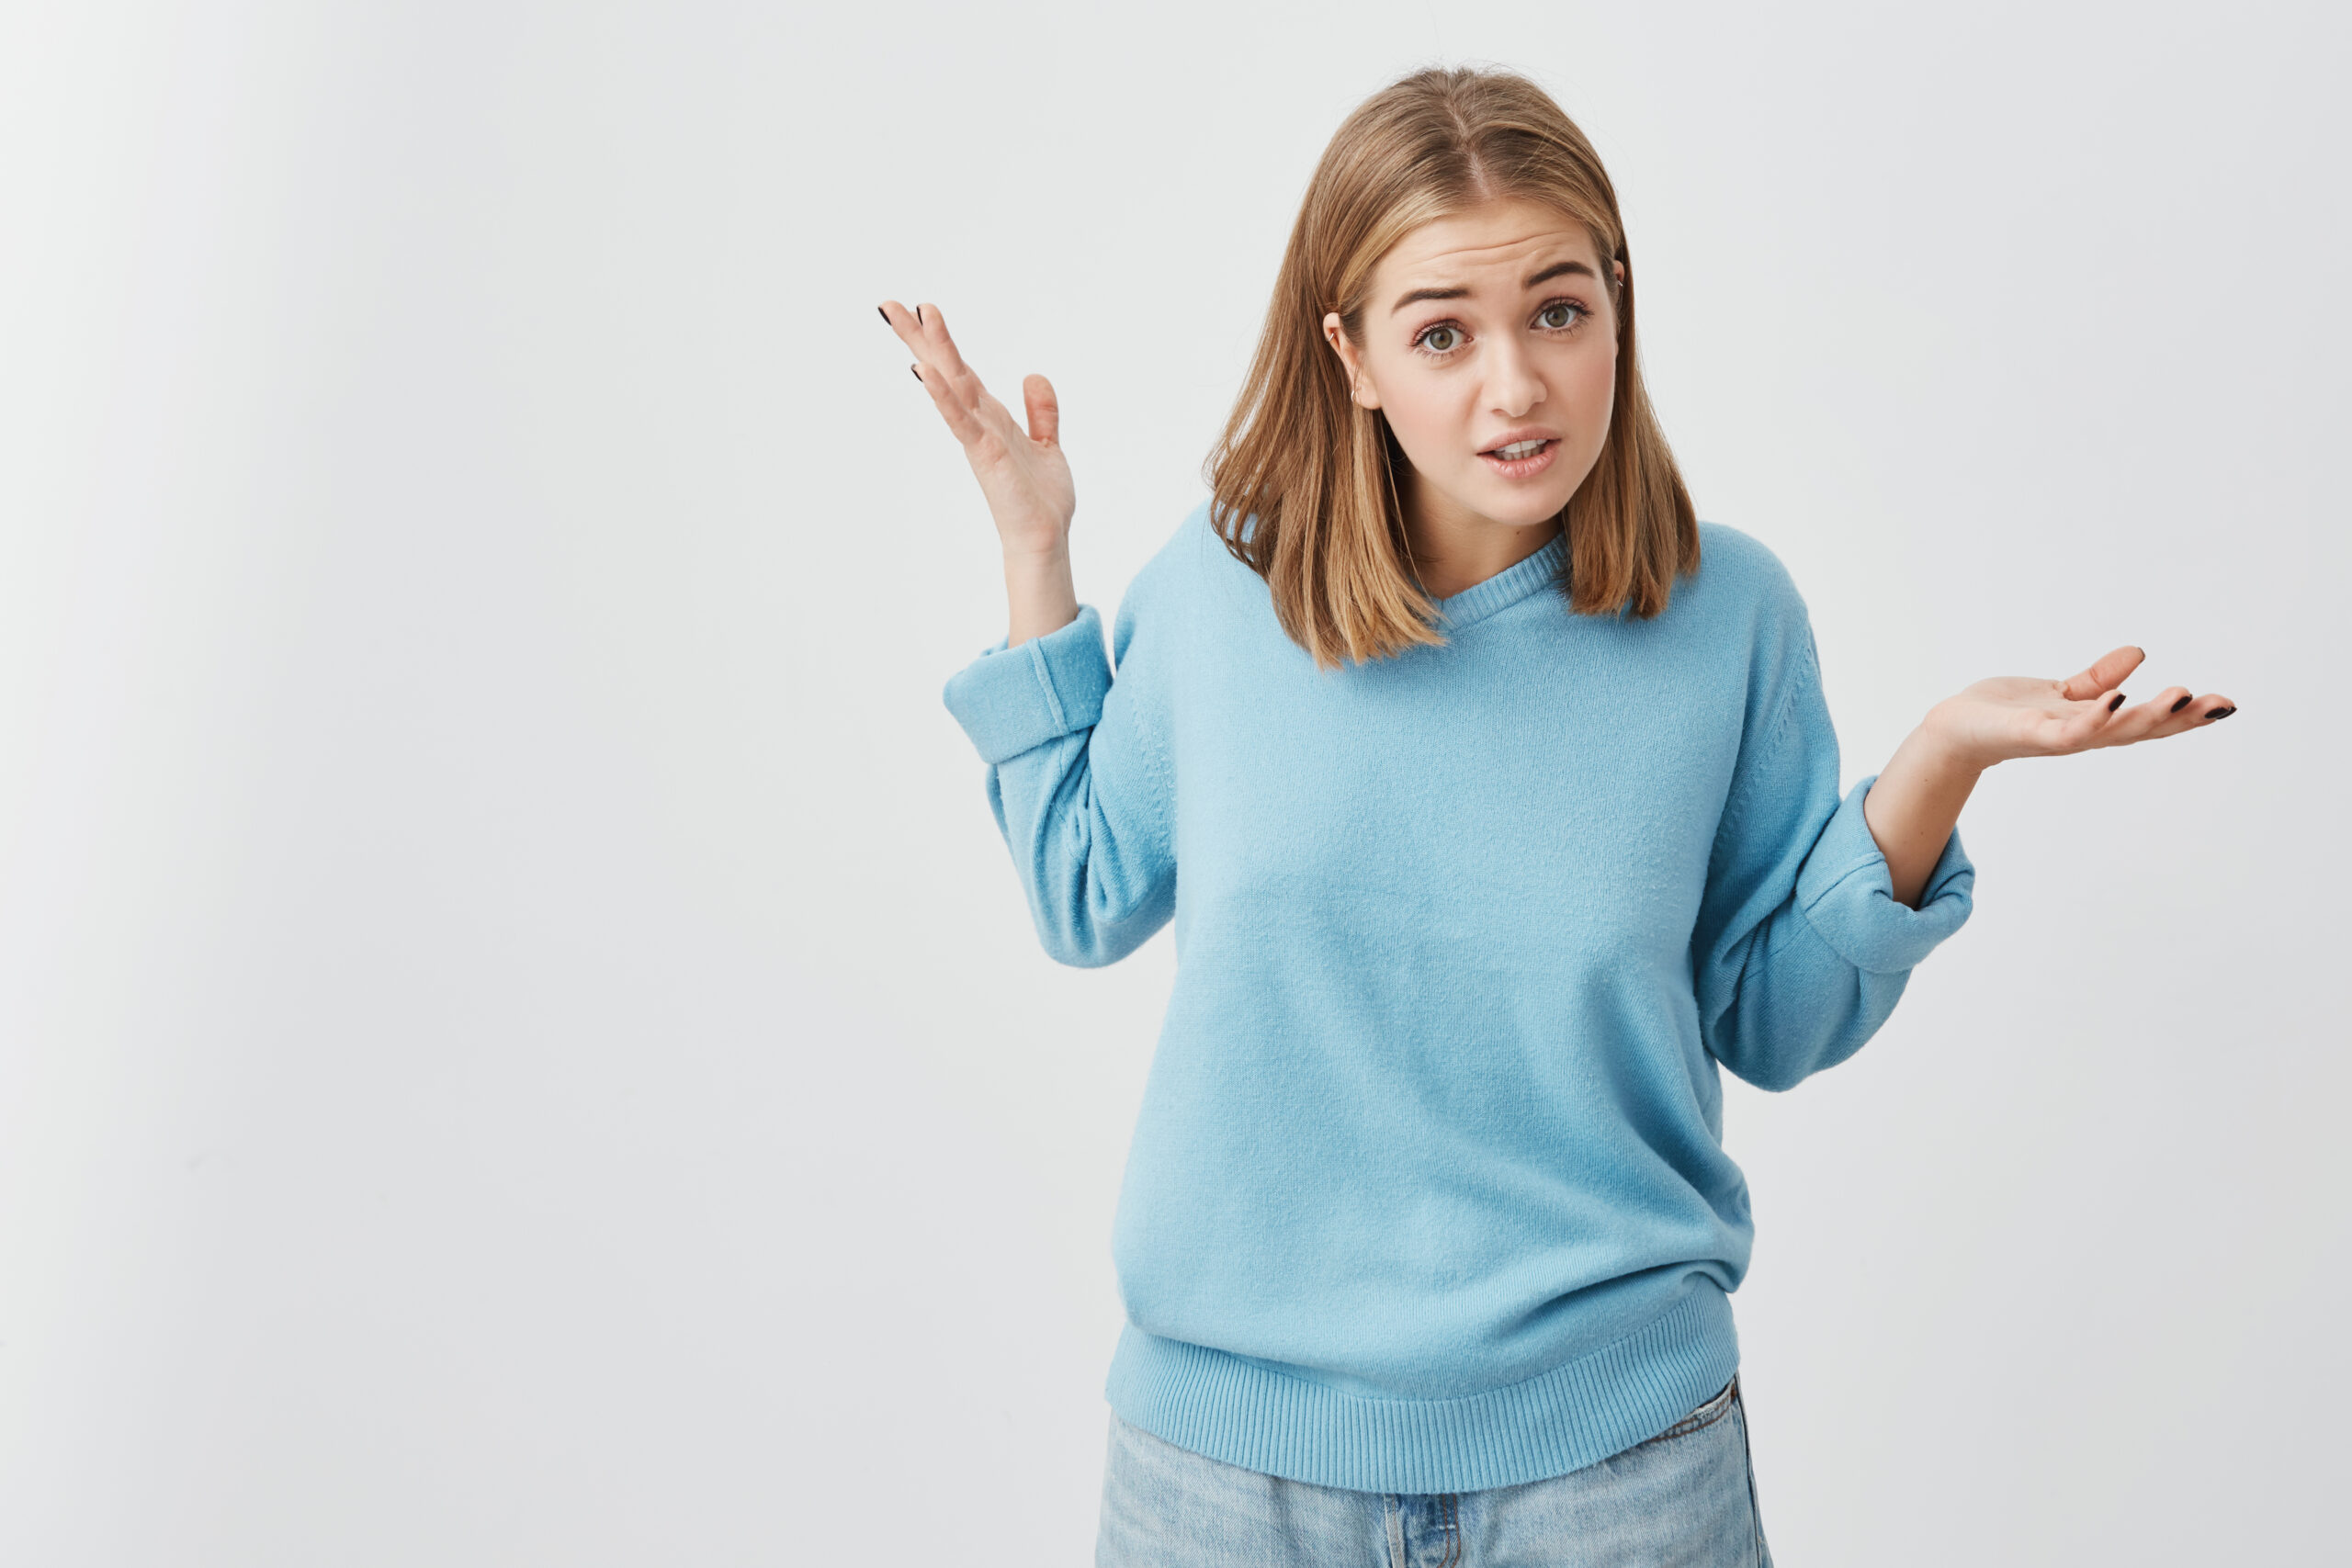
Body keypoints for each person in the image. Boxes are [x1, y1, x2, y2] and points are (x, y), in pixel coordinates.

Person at [877, 64, 2235, 1568]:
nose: (1514, 385)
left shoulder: (1729, 618)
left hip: (1619, 1474)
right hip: (1226, 1476)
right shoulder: (1222, 592)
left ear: (1618, 305)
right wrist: (1033, 550)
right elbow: (1082, 893)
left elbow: (1775, 1020)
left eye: (1558, 310)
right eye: (1443, 331)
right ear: (1352, 355)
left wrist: (1939, 761)